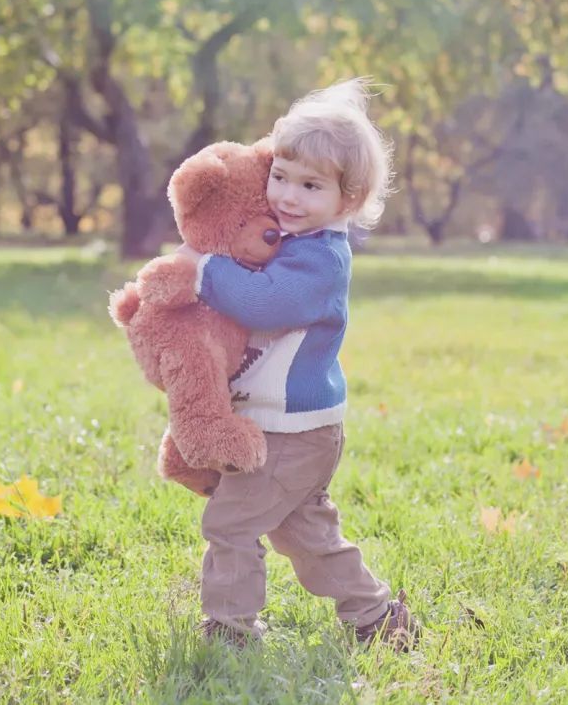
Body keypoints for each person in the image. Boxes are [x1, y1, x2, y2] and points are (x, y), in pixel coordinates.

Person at [177, 77, 420, 651]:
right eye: (280, 176)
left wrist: (203, 268)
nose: (288, 195)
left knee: (231, 523)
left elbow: (264, 302)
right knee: (305, 537)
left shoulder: (323, 259)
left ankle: (229, 630)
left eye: (310, 185)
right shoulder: (289, 238)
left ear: (349, 199)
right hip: (288, 427)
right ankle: (377, 616)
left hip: (294, 431)